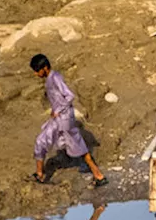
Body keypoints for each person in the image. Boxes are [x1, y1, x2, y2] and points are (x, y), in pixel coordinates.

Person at [30, 54, 107, 187]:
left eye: (37, 70)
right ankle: (39, 173)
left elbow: (69, 95)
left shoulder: (55, 77)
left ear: (45, 68)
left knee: (78, 147)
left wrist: (58, 110)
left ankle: (98, 175)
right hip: (60, 119)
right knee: (43, 140)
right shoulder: (50, 78)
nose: (36, 74)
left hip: (64, 119)